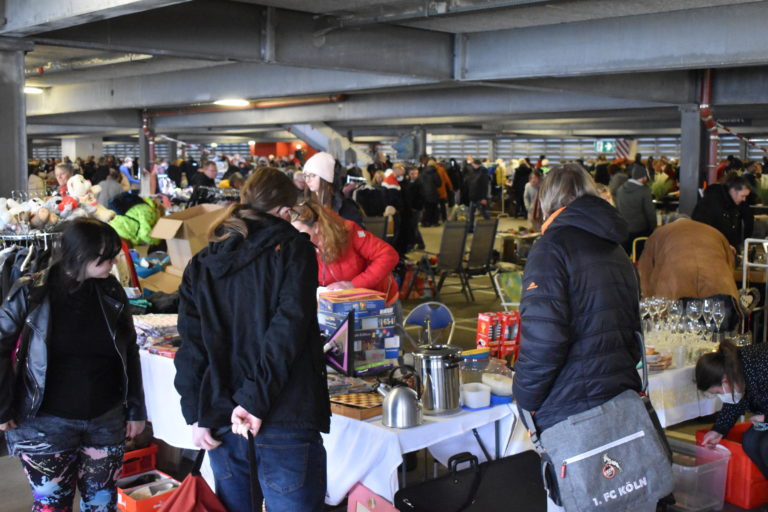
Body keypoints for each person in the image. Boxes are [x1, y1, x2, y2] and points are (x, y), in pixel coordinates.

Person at [175, 167, 330, 512]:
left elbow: (191, 345)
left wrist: (197, 413)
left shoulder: (202, 262)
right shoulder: (293, 250)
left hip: (223, 413)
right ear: (284, 211)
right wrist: (254, 402)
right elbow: (286, 331)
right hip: (282, 414)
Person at [0, 218, 146, 511]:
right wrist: (2, 407)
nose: (113, 262)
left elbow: (129, 351)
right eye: (107, 256)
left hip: (105, 417)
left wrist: (135, 408)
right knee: (52, 505)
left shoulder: (110, 291)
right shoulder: (31, 292)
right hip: (43, 422)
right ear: (80, 254)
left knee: (103, 503)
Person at [513, 163, 642, 433]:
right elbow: (634, 325)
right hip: (618, 390)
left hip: (570, 404)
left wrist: (525, 398)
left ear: (546, 200)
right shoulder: (615, 247)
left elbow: (545, 338)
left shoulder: (550, 248)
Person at [291, 198, 400, 308]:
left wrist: (354, 284)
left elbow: (388, 256)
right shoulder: (303, 247)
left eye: (298, 231)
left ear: (317, 226)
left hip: (379, 304)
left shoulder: (348, 231)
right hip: (343, 307)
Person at [697, 341, 768, 478]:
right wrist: (719, 430)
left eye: (718, 392)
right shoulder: (734, 369)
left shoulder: (761, 363)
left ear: (724, 380)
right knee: (750, 440)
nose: (721, 396)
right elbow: (735, 401)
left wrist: (766, 418)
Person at [693, 172, 754, 250]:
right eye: (742, 196)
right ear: (734, 191)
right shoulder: (711, 203)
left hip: (724, 250)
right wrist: (724, 245)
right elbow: (701, 229)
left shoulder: (732, 203)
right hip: (710, 251)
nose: (744, 199)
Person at [303, 151, 365, 227]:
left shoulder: (345, 206)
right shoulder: (306, 202)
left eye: (313, 175)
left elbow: (358, 232)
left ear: (325, 178)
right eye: (305, 175)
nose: (307, 180)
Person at [615, 163, 656, 256]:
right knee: (639, 257)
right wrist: (653, 227)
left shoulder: (620, 189)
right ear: (643, 177)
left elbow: (617, 208)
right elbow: (650, 213)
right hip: (640, 230)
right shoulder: (644, 191)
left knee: (625, 256)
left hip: (623, 229)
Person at [466, 157, 491, 232]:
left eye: (473, 164)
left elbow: (485, 186)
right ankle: (470, 228)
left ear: (476, 164)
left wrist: (484, 198)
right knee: (471, 214)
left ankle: (491, 227)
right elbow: (471, 184)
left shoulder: (483, 172)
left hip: (480, 197)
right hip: (473, 196)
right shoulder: (473, 172)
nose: (472, 165)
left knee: (484, 213)